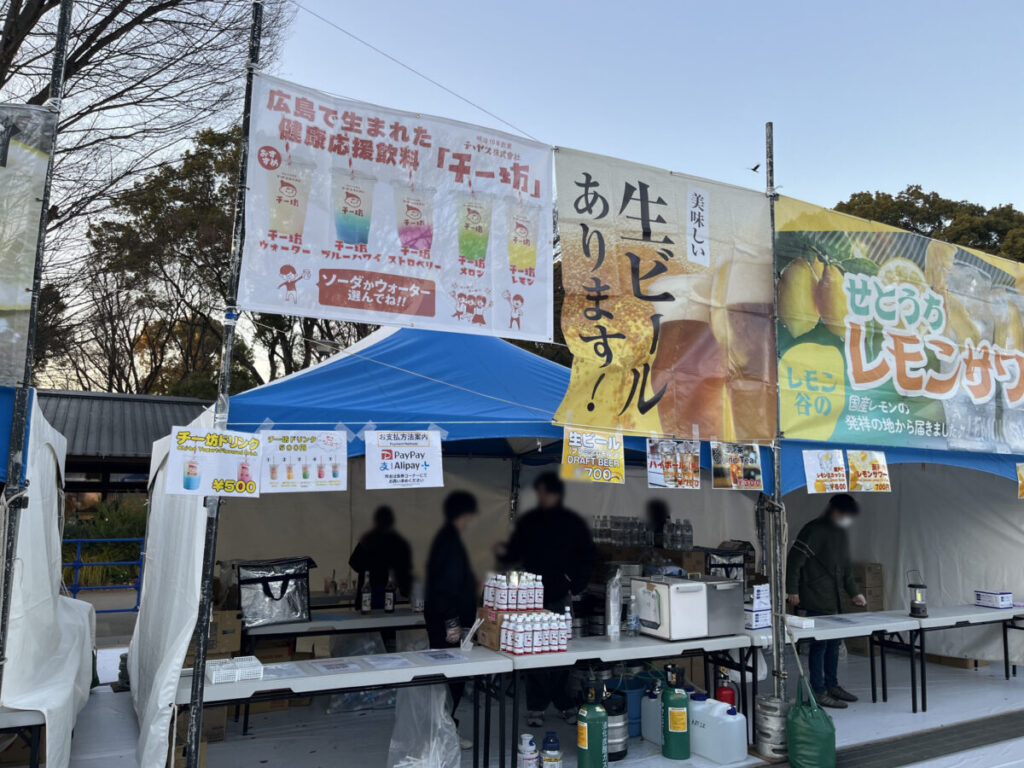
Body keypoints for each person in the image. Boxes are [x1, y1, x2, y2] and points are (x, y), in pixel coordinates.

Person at [498, 472, 596, 727]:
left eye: (546, 493)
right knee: (534, 653)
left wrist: (575, 586)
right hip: (531, 599)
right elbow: (515, 552)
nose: (542, 497)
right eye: (539, 493)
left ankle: (564, 703)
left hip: (560, 597)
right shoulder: (529, 521)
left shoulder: (572, 523)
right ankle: (536, 706)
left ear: (556, 494)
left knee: (562, 652)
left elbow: (588, 558)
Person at [786, 493, 867, 709]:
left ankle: (833, 685)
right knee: (819, 645)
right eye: (845, 513)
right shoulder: (813, 530)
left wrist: (854, 592)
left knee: (834, 644)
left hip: (835, 598)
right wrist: (792, 590)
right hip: (815, 596)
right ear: (835, 511)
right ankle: (818, 690)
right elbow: (794, 561)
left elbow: (846, 567)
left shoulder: (841, 533)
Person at [425, 491, 479, 745]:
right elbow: (445, 586)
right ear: (463, 515)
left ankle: (445, 729)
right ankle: (445, 734)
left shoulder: (447, 538)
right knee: (451, 679)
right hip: (447, 621)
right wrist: (452, 622)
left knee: (449, 678)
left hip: (445, 617)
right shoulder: (449, 541)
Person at [348, 506, 412, 609]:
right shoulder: (396, 541)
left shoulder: (367, 539)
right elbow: (402, 569)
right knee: (385, 615)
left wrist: (367, 569)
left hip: (369, 589)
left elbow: (353, 563)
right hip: (385, 590)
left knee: (366, 615)